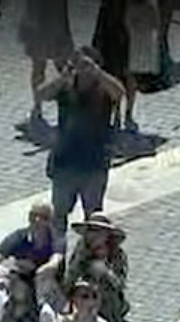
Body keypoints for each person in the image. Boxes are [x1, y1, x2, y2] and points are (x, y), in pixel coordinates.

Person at [37, 47, 122, 227]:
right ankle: (58, 243)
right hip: (65, 160)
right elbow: (42, 94)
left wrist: (97, 72)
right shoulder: (67, 86)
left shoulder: (103, 87)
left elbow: (119, 93)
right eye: (79, 65)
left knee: (93, 214)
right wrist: (62, 77)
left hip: (95, 160)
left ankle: (90, 243)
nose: (82, 71)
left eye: (86, 65)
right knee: (59, 212)